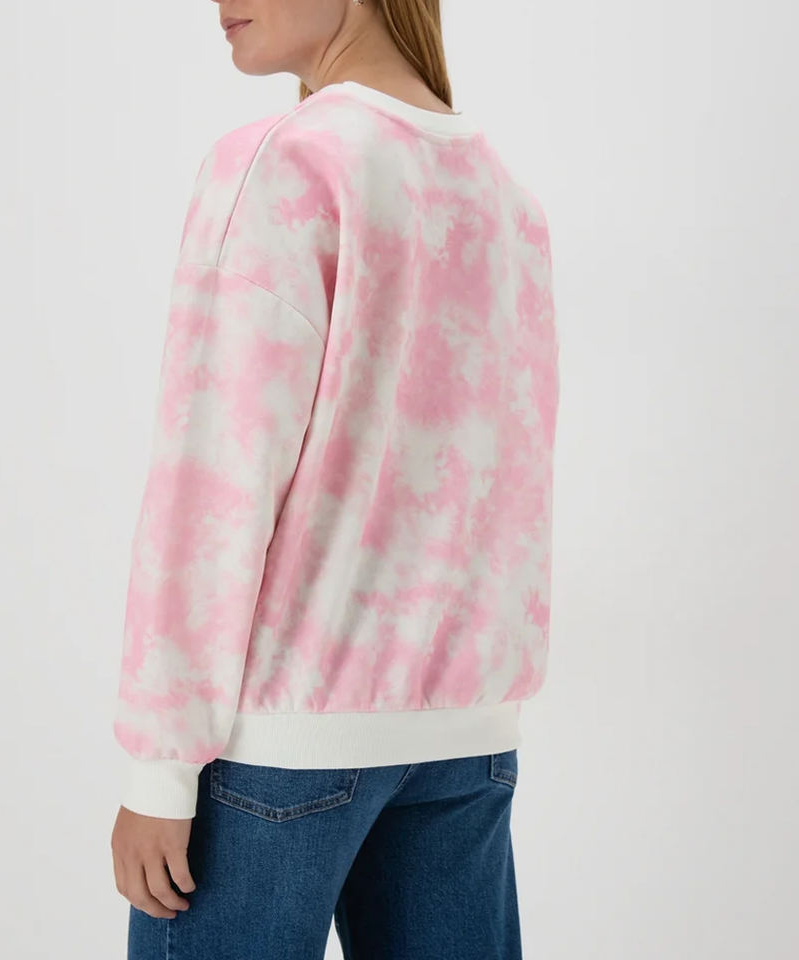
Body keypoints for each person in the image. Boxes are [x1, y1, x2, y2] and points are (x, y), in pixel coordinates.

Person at [110, 1, 559, 957]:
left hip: (283, 747)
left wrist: (160, 767)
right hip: (465, 744)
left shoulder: (288, 164)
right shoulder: (503, 194)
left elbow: (211, 487)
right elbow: (506, 484)